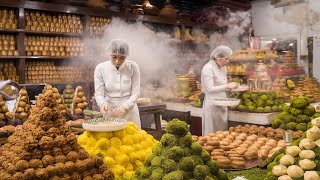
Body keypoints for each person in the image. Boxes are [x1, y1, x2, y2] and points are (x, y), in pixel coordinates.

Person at [94, 39, 141, 128]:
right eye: (114, 57)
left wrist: (124, 107)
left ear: (126, 56)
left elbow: (135, 93)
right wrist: (102, 104)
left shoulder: (133, 67)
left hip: (130, 112)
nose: (117, 61)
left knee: (133, 139)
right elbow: (99, 94)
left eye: (122, 58)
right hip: (110, 111)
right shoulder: (100, 68)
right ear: (108, 54)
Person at [201, 45, 239, 135]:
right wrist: (227, 86)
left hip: (222, 104)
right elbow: (209, 88)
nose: (228, 61)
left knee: (222, 134)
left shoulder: (223, 68)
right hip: (212, 105)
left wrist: (230, 89)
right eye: (226, 59)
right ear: (218, 58)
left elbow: (221, 86)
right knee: (211, 134)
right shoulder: (208, 68)